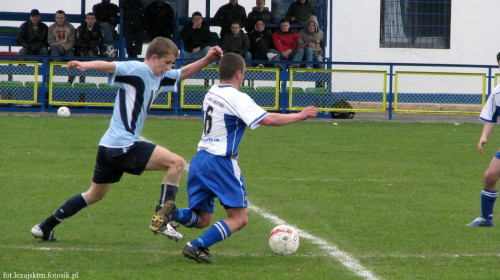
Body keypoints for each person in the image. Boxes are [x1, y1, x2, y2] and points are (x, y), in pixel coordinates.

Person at [30, 37, 224, 242]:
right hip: (123, 145)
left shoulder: (160, 77)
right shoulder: (137, 70)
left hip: (108, 146)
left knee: (94, 194)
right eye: (167, 63)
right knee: (176, 163)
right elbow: (111, 66)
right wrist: (85, 64)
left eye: (171, 64)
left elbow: (182, 73)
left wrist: (207, 59)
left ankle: (45, 227)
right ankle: (163, 218)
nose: (169, 68)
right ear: (154, 57)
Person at [151, 52, 317, 264]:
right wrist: (299, 115)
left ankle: (172, 212)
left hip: (200, 160)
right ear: (239, 73)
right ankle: (196, 246)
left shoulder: (211, 90)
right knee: (239, 218)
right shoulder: (237, 97)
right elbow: (267, 119)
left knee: (202, 219)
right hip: (220, 162)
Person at [466, 52, 500, 227]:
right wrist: (483, 136)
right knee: (490, 176)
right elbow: (491, 118)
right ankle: (486, 218)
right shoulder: (497, 92)